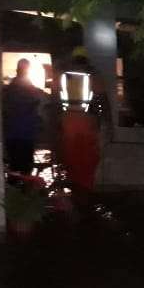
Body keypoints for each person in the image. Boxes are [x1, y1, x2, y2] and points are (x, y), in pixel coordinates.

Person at [60, 46, 109, 205]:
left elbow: (55, 102)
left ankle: (76, 196)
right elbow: (102, 102)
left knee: (72, 161)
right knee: (88, 163)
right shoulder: (94, 76)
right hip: (88, 125)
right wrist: (107, 124)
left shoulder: (63, 76)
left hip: (68, 124)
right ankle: (85, 197)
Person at [2, 58, 46, 175]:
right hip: (26, 135)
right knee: (25, 168)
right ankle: (24, 190)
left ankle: (15, 189)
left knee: (14, 166)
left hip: (12, 135)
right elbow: (40, 102)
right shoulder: (31, 90)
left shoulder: (8, 90)